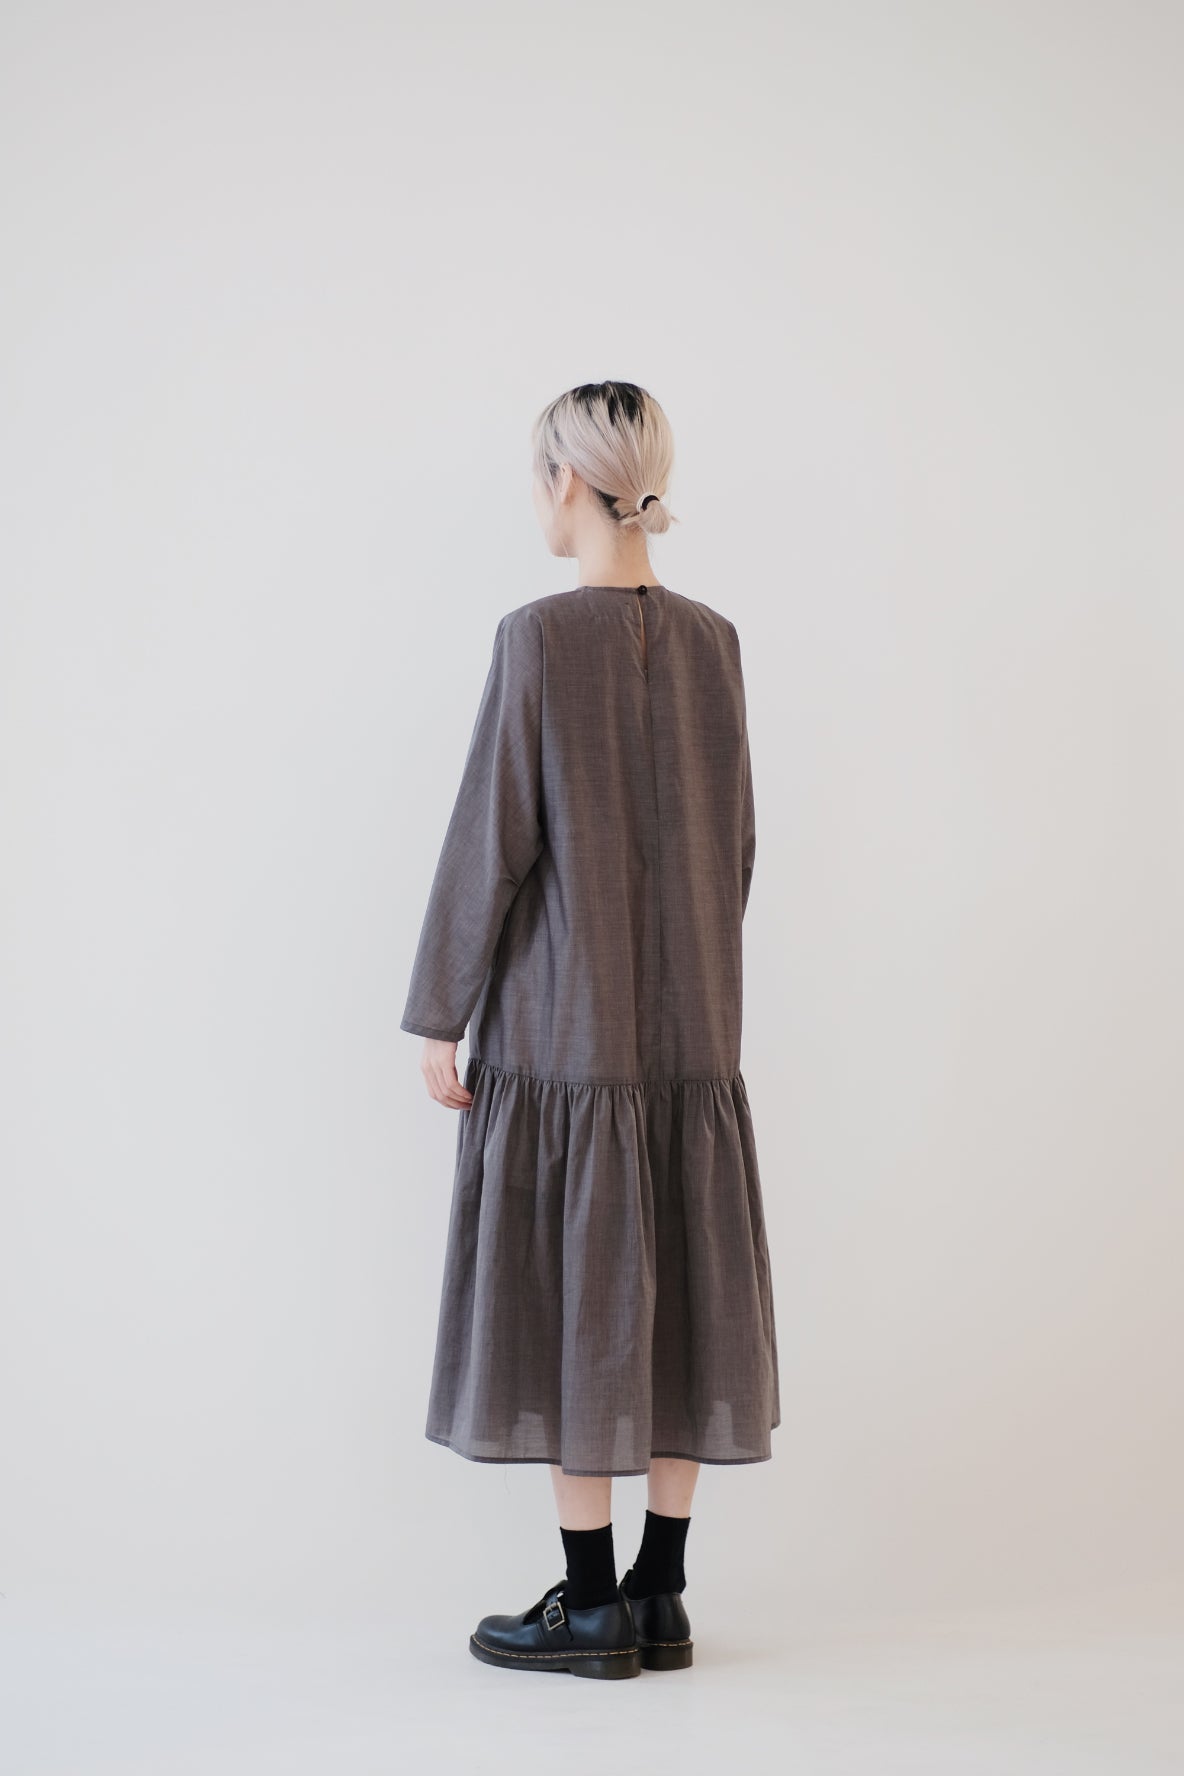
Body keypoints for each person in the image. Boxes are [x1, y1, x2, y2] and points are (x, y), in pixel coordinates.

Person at [400, 380, 780, 1678]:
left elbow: (491, 837)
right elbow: (737, 845)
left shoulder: (537, 637)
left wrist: (441, 1009)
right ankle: (662, 1595)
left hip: (567, 1030)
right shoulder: (717, 642)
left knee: (579, 1290)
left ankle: (592, 1602)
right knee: (681, 1288)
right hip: (695, 1033)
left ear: (565, 479)